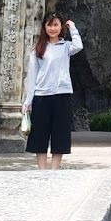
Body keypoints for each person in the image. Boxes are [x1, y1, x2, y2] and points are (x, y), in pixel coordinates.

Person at [23, 13, 83, 169]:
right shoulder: (38, 49)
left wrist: (73, 28)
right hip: (41, 95)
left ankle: (54, 170)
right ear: (44, 27)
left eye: (56, 25)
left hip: (62, 95)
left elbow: (79, 46)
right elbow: (32, 76)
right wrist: (28, 100)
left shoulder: (66, 46)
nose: (52, 28)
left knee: (60, 133)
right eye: (49, 25)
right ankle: (42, 170)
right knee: (39, 134)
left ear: (61, 26)